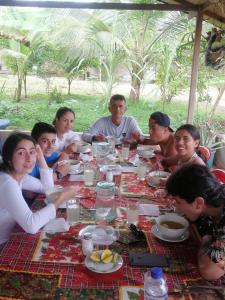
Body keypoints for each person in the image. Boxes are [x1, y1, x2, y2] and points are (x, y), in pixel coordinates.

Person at [0, 132, 76, 246]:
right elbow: (31, 225)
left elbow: (48, 188)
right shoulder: (7, 183)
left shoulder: (19, 175)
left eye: (32, 152)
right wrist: (60, 199)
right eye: (21, 153)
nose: (29, 158)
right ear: (9, 158)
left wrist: (40, 156)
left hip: (13, 233)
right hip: (3, 244)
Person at [166, 164, 225, 280]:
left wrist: (206, 241)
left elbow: (209, 271)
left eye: (178, 202)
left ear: (198, 203)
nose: (177, 208)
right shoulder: (213, 198)